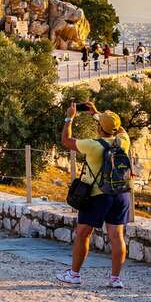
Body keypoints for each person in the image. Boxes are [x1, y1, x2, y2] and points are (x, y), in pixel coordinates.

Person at [57, 104, 133, 288]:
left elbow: (66, 140)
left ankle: (74, 274)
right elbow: (119, 129)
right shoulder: (123, 141)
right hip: (121, 194)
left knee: (83, 234)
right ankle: (115, 279)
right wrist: (98, 114)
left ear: (99, 128)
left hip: (98, 195)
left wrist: (69, 118)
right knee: (117, 236)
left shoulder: (92, 145)